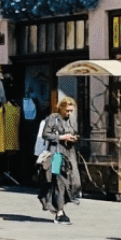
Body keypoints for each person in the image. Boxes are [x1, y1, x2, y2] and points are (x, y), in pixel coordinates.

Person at [36, 95, 81, 224]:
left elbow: (73, 132)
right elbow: (45, 134)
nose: (69, 113)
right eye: (67, 110)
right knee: (58, 182)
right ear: (61, 108)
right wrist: (62, 137)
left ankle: (60, 206)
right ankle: (60, 212)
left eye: (71, 111)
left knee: (74, 181)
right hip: (56, 154)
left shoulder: (71, 120)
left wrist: (73, 137)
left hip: (69, 154)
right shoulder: (53, 118)